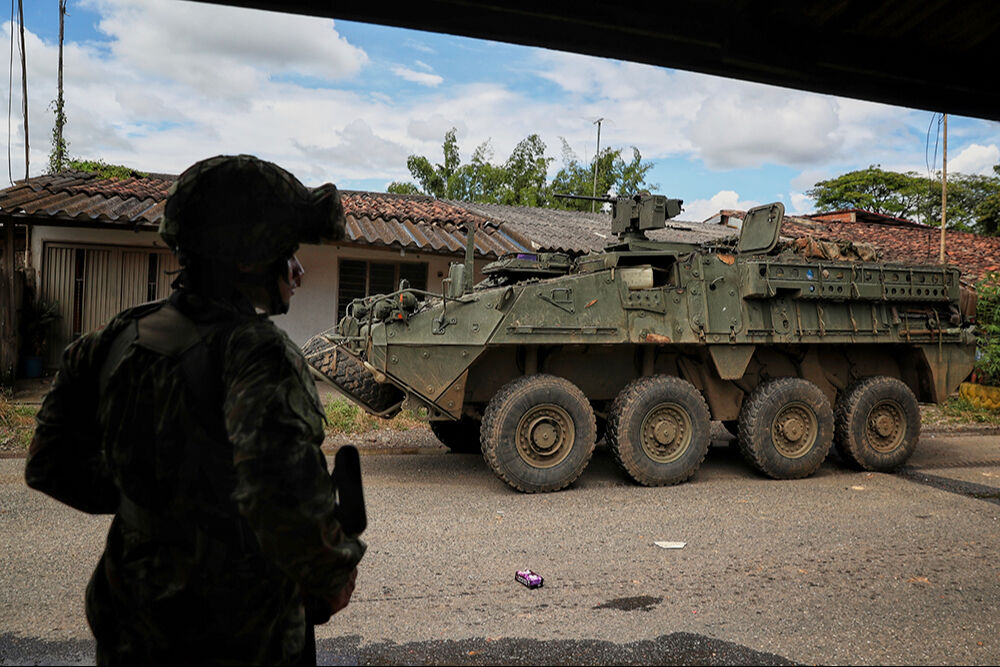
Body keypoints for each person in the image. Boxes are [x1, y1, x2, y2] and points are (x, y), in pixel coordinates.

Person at [24, 154, 365, 665]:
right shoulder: (257, 353)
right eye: (286, 251)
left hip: (130, 622)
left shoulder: (113, 338)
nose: (297, 270)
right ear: (248, 256)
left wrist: (156, 502)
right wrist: (333, 573)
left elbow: (49, 464)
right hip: (241, 634)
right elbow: (278, 492)